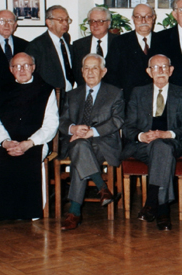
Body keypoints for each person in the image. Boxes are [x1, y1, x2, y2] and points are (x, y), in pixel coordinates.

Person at [0, 53, 58, 223]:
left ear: (33, 67)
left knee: (27, 162)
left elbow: (50, 124)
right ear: (11, 70)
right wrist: (5, 142)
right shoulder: (1, 91)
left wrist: (29, 143)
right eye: (17, 66)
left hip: (35, 142)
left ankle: (29, 212)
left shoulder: (46, 90)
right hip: (8, 142)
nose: (22, 69)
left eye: (26, 65)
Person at [122, 54, 182, 231]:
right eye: (155, 67)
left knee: (162, 147)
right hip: (142, 146)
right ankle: (162, 209)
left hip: (172, 143)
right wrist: (141, 136)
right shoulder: (138, 93)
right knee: (162, 151)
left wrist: (166, 134)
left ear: (171, 70)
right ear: (148, 72)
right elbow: (128, 127)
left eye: (164, 67)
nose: (160, 71)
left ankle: (154, 204)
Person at [57, 54, 125, 231]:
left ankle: (74, 212)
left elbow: (117, 120)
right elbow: (62, 121)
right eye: (86, 68)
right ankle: (102, 188)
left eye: (95, 68)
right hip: (76, 142)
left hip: (103, 143)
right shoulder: (72, 94)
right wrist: (73, 129)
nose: (90, 72)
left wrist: (92, 132)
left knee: (79, 154)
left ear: (103, 71)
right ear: (81, 71)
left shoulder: (115, 93)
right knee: (80, 147)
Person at [104, 3, 156, 101]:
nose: (143, 20)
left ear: (153, 18)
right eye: (138, 17)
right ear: (133, 18)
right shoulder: (119, 42)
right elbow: (110, 73)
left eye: (148, 16)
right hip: (128, 100)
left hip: (156, 100)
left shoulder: (164, 41)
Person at [26, 5, 75, 92]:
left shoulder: (66, 39)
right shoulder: (37, 46)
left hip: (70, 94)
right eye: (60, 20)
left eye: (67, 20)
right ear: (49, 23)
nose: (65, 23)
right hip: (49, 95)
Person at [71, 7, 118, 85]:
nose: (95, 25)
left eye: (100, 21)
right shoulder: (78, 45)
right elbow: (77, 73)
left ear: (108, 23)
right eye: (92, 21)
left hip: (113, 93)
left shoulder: (119, 42)